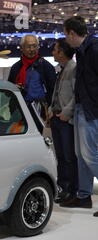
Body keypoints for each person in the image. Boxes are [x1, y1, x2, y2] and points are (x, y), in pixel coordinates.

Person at [61, 16, 98, 213]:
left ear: (73, 34)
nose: (65, 39)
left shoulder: (94, 49)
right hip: (82, 108)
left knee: (91, 156)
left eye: (66, 34)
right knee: (80, 156)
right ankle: (84, 196)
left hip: (91, 111)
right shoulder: (83, 51)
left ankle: (84, 195)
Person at [47, 38, 78, 204]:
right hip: (57, 118)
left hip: (66, 119)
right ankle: (63, 188)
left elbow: (76, 95)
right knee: (61, 156)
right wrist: (51, 110)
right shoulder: (61, 69)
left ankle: (72, 190)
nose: (52, 52)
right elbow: (56, 93)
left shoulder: (73, 68)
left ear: (62, 52)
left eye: (55, 49)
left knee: (68, 157)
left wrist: (66, 112)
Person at [8, 34, 57, 121]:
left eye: (34, 46)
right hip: (19, 109)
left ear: (38, 47)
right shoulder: (16, 68)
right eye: (28, 47)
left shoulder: (46, 66)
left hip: (41, 111)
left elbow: (53, 90)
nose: (32, 49)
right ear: (22, 48)